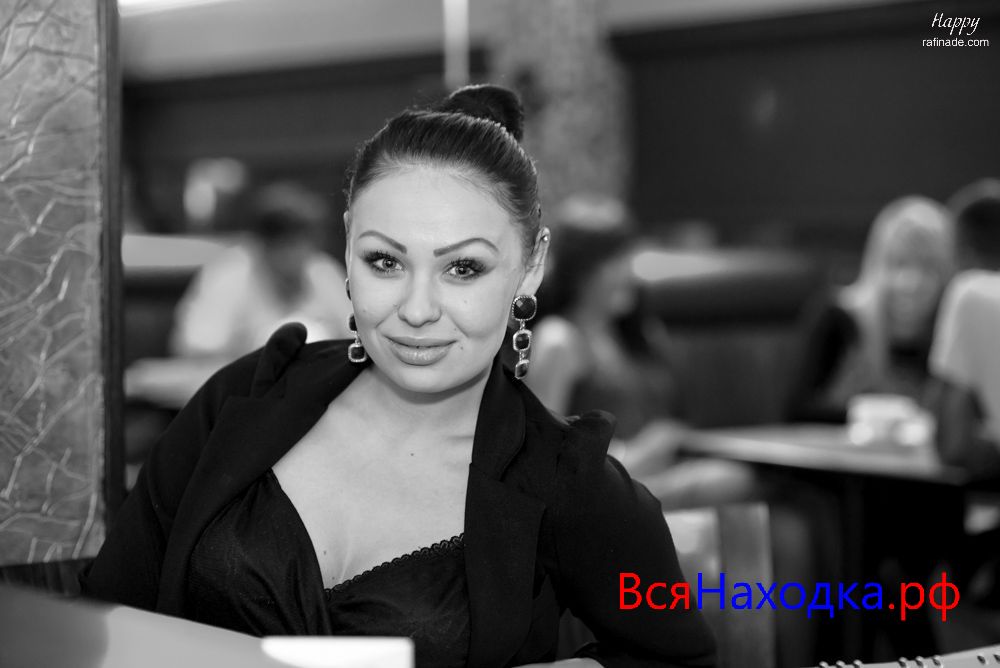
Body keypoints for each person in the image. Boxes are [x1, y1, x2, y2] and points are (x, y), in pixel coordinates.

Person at [81, 85, 716, 668]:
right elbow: (103, 619)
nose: (416, 310)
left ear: (530, 267)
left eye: (463, 268)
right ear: (347, 249)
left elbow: (677, 659)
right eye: (385, 261)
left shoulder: (567, 482)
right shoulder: (248, 395)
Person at [787, 196, 956, 423]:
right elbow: (796, 412)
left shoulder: (949, 333)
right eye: (899, 263)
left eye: (928, 267)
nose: (911, 282)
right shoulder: (840, 320)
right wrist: (872, 415)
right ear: (876, 265)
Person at [170, 181, 353, 360]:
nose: (296, 254)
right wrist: (254, 348)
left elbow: (354, 334)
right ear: (262, 243)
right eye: (285, 242)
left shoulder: (321, 271)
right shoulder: (230, 274)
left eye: (303, 240)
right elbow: (196, 347)